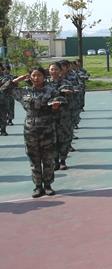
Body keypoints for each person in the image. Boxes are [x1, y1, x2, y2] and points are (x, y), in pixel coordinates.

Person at [1, 67, 65, 197]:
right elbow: (4, 90)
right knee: (34, 159)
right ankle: (38, 186)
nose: (36, 78)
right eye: (34, 75)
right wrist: (16, 80)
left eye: (39, 75)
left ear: (44, 76)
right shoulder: (24, 92)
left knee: (48, 159)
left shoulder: (51, 91)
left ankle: (48, 185)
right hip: (30, 129)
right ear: (30, 77)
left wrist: (56, 106)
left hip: (47, 128)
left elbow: (62, 102)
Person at [48, 62, 76, 170]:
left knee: (65, 137)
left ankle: (63, 160)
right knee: (52, 138)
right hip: (50, 115)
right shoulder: (45, 84)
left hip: (64, 115)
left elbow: (70, 98)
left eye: (56, 69)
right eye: (52, 69)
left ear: (60, 71)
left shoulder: (66, 83)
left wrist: (66, 94)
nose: (54, 71)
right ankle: (55, 161)